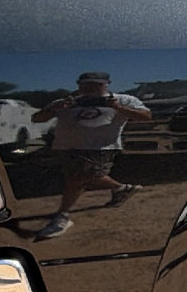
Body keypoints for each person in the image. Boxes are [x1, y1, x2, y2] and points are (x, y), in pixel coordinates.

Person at [32, 71, 153, 241]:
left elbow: (146, 116)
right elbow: (37, 118)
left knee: (78, 176)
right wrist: (55, 109)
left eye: (96, 84)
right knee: (78, 177)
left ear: (107, 84)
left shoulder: (123, 100)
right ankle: (121, 188)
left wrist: (118, 108)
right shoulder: (65, 101)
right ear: (78, 85)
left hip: (101, 147)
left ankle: (62, 216)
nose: (90, 88)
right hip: (66, 147)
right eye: (85, 85)